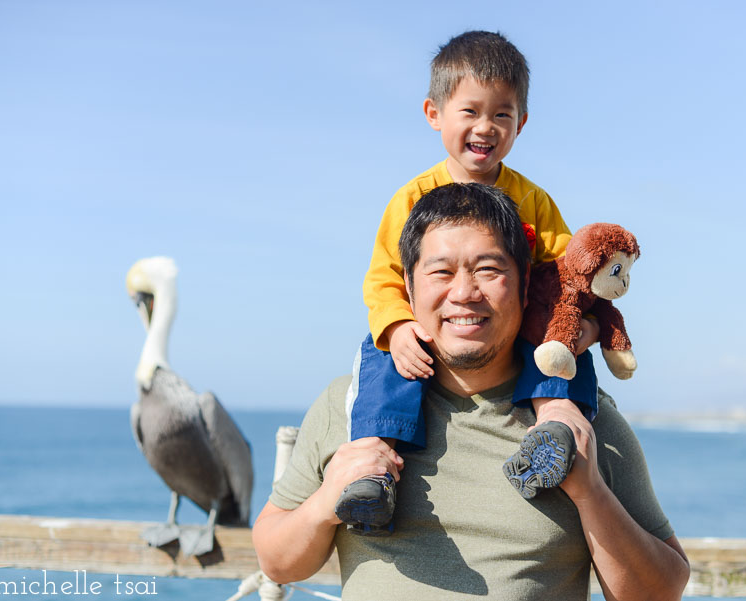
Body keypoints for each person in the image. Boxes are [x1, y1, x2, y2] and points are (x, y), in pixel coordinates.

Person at [252, 183, 690, 600]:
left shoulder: (582, 419)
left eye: (488, 270)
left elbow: (661, 592)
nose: (463, 293)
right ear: (408, 285)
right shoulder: (349, 406)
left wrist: (589, 490)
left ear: (525, 285)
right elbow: (277, 563)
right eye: (441, 271)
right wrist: (328, 501)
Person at [340, 30, 600, 533]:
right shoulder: (413, 197)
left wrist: (584, 322)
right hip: (425, 331)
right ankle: (377, 465)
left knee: (561, 348)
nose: (486, 127)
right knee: (377, 359)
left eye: (501, 114)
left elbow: (570, 271)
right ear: (434, 114)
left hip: (507, 329)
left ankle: (556, 429)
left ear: (521, 123)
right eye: (470, 111)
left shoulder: (533, 200)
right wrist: (395, 329)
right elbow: (382, 278)